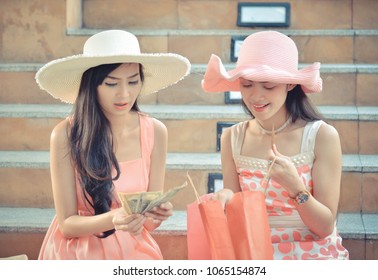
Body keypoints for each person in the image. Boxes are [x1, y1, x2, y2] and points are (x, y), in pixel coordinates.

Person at [35, 30, 190, 259]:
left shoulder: (155, 131)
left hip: (133, 250)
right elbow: (67, 224)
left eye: (133, 81)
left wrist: (155, 214)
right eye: (111, 83)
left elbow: (146, 225)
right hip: (79, 251)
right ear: (92, 85)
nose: (124, 94)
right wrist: (114, 218)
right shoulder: (65, 135)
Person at [201, 30, 349, 260]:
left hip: (311, 253)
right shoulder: (232, 137)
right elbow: (236, 207)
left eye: (268, 86)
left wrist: (295, 187)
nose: (256, 96)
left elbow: (325, 226)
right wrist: (225, 198)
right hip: (253, 250)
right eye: (247, 85)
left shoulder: (322, 136)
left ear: (290, 84)